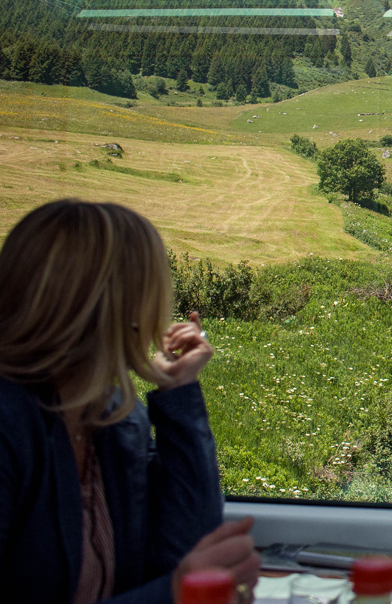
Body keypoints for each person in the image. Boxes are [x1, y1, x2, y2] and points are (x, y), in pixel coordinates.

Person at [0, 200, 260, 603]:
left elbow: (184, 551)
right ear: (114, 310)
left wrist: (179, 394)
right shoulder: (8, 425)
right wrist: (172, 594)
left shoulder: (114, 417)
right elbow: (175, 584)